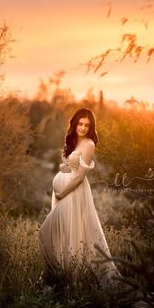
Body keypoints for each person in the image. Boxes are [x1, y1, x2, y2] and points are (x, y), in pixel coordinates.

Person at [38, 108, 120, 288]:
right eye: (80, 124)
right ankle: (63, 277)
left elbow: (79, 177)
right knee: (65, 233)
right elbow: (69, 164)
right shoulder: (73, 141)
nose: (82, 128)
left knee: (46, 232)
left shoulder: (89, 144)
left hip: (73, 194)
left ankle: (71, 279)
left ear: (91, 128)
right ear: (74, 124)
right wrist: (62, 166)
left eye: (86, 125)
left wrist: (61, 193)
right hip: (65, 193)